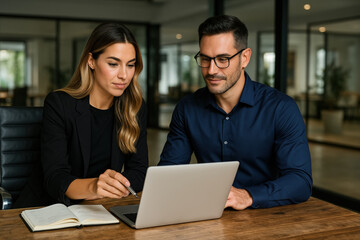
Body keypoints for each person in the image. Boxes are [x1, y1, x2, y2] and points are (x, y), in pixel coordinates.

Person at [158, 15, 312, 210]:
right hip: (207, 215)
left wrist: (248, 196)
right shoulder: (187, 108)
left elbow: (300, 181)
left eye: (223, 59)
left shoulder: (281, 108)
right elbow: (168, 175)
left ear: (244, 57)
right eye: (205, 59)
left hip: (268, 218)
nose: (211, 70)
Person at [14, 22, 148, 207]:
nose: (124, 75)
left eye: (130, 65)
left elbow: (139, 170)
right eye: (113, 64)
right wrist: (94, 187)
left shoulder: (134, 107)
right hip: (47, 208)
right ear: (91, 61)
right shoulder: (60, 104)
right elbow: (55, 178)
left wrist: (111, 188)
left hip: (99, 208)